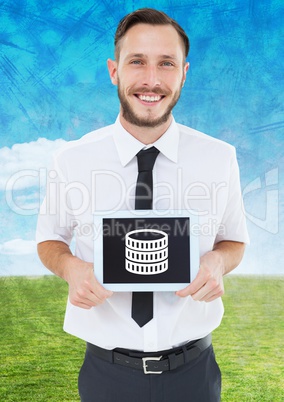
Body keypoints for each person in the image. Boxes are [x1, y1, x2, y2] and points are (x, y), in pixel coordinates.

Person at [37, 8, 249, 402]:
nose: (151, 80)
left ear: (184, 72)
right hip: (106, 375)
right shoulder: (71, 159)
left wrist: (218, 262)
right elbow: (49, 241)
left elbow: (233, 240)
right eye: (137, 61)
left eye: (166, 63)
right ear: (114, 70)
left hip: (195, 374)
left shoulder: (219, 158)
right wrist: (71, 269)